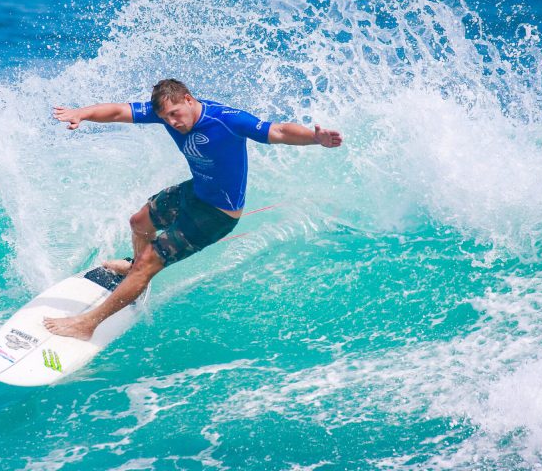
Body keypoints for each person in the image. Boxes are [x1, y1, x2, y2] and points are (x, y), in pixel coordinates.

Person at [43, 79, 343, 340]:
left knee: (150, 262)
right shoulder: (165, 112)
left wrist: (315, 138)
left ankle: (87, 324)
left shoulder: (227, 119)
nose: (172, 122)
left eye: (175, 114)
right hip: (195, 191)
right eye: (165, 118)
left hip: (217, 214)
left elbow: (277, 131)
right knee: (139, 221)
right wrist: (82, 113)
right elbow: (120, 111)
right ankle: (134, 267)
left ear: (188, 99)